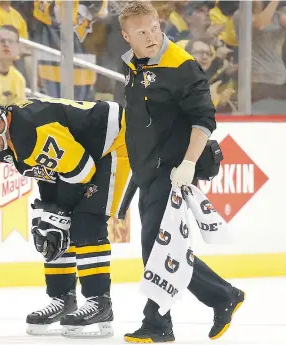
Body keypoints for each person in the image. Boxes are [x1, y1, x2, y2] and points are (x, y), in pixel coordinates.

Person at [118, 2, 245, 343]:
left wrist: (188, 164)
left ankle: (158, 323)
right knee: (160, 247)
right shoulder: (135, 64)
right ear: (126, 35)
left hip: (173, 170)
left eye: (154, 27)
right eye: (141, 31)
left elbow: (204, 120)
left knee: (157, 246)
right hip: (148, 170)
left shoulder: (181, 66)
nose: (151, 35)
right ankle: (223, 296)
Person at [0, 94, 132, 338]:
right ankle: (62, 298)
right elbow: (49, 173)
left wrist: (58, 215)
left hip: (117, 142)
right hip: (84, 154)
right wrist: (51, 215)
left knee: (86, 222)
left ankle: (99, 302)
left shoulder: (30, 131)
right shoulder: (7, 145)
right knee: (49, 227)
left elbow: (81, 171)